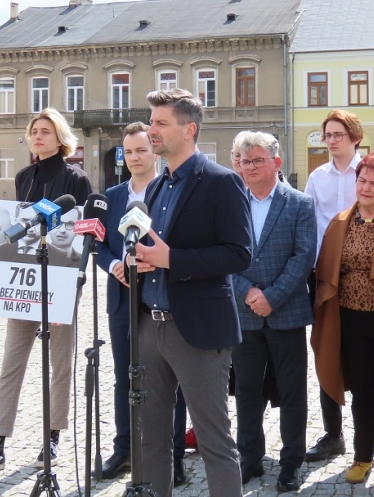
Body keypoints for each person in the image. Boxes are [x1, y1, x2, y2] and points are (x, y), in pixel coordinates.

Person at [0, 108, 92, 478]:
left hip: (61, 283)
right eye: (34, 131)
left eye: (45, 131)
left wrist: (74, 285)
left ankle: (52, 437)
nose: (38, 136)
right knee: (12, 363)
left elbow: (84, 232)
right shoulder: (24, 177)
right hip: (25, 283)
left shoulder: (76, 179)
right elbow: (17, 225)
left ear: (60, 138)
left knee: (59, 364)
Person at [133, 88, 252, 497]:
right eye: (151, 122)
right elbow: (156, 250)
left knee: (214, 442)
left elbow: (239, 253)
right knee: (152, 439)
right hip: (149, 327)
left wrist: (173, 260)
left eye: (160, 123)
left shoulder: (221, 182)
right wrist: (140, 262)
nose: (151, 130)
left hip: (198, 331)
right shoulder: (155, 187)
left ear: (189, 130)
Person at [96, 122, 190, 486]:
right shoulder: (112, 195)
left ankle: (174, 455)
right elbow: (101, 245)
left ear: (155, 152)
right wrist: (114, 265)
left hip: (161, 297)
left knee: (168, 381)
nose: (135, 157)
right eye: (129, 152)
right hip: (122, 297)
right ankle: (124, 449)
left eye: (141, 150)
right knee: (124, 377)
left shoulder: (170, 190)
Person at [312, 151, 374, 487]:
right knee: (363, 392)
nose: (365, 188)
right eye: (362, 180)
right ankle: (362, 456)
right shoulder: (340, 222)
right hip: (350, 321)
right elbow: (326, 272)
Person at [231, 132, 315, 492]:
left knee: (292, 392)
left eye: (257, 160)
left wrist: (272, 297)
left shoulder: (299, 203)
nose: (249, 167)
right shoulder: (231, 203)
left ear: (276, 162)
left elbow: (303, 257)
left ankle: (291, 462)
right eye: (244, 161)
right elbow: (223, 255)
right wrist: (247, 292)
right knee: (246, 391)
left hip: (286, 312)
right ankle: (249, 458)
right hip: (244, 312)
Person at [304, 109, 364, 463]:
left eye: (338, 134)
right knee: (326, 353)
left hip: (363, 278)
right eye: (327, 135)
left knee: (362, 356)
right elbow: (309, 224)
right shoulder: (317, 177)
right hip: (324, 277)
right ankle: (332, 434)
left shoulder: (369, 172)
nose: (331, 141)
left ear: (355, 137)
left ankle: (367, 435)